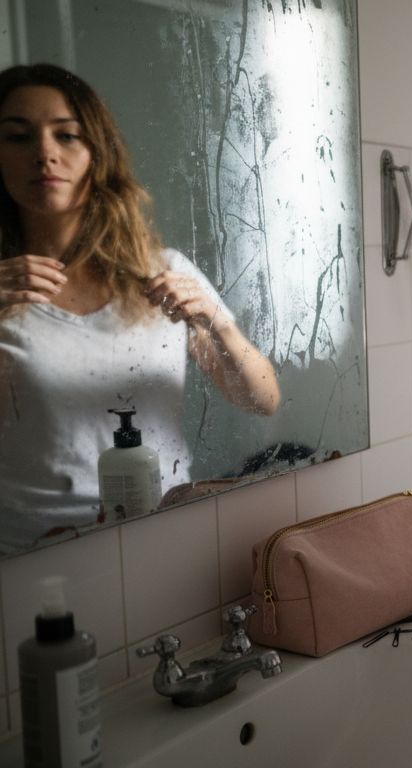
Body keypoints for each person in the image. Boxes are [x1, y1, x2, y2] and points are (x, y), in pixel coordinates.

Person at [0, 63, 280, 553]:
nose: (44, 153)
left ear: (98, 155)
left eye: (67, 136)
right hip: (34, 552)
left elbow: (263, 400)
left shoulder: (164, 272)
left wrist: (218, 326)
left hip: (165, 534)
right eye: (18, 137)